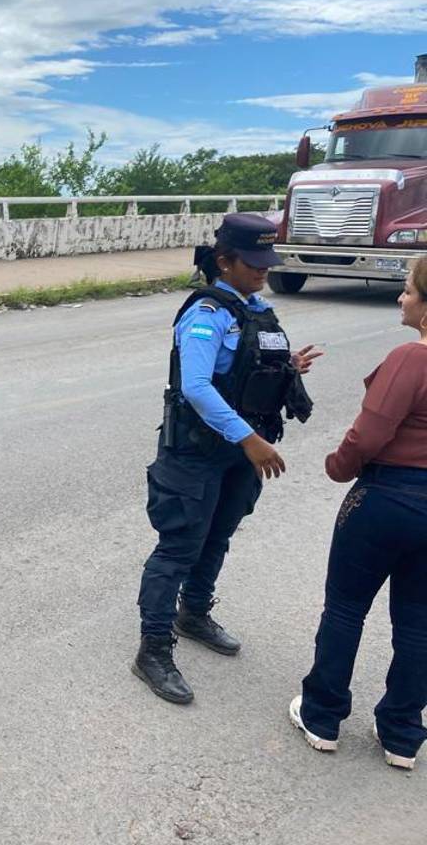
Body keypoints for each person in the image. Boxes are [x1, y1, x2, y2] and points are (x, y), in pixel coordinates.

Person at [133, 214, 321, 705]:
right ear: (224, 261)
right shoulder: (206, 314)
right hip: (197, 452)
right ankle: (152, 648)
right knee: (178, 546)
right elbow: (195, 387)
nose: (262, 271)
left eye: (267, 262)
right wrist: (249, 440)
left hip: (238, 452)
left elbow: (243, 370)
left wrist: (288, 366)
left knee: (218, 536)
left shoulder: (254, 309)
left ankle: (193, 612)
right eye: (253, 263)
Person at [289, 258, 427, 771]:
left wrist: (337, 466)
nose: (401, 299)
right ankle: (402, 734)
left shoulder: (410, 360)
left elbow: (368, 435)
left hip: (388, 497)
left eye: (408, 290)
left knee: (346, 608)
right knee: (419, 624)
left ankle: (323, 716)